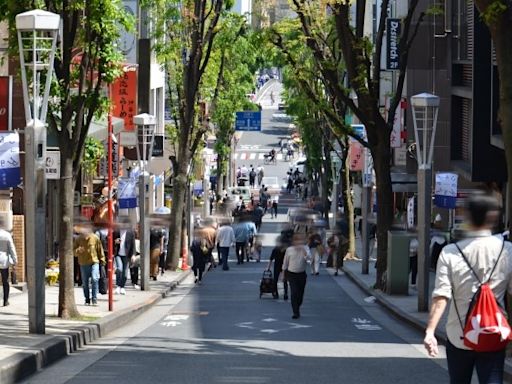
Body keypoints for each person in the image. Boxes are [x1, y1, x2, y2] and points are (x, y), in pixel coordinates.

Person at [424, 191, 512, 383]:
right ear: (492, 216)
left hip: (459, 335)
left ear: (467, 216)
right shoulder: (508, 251)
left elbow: (441, 296)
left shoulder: (450, 252)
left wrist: (430, 331)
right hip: (494, 333)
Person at [74, 225, 106, 305]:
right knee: (85, 283)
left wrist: (102, 260)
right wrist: (78, 250)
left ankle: (94, 298)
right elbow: (73, 251)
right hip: (83, 263)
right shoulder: (78, 239)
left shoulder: (95, 238)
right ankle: (87, 299)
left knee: (95, 279)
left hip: (94, 262)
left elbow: (100, 249)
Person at [282, 233, 311, 319]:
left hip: (301, 274)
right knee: (294, 292)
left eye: (300, 241)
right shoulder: (289, 250)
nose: (299, 243)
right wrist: (283, 275)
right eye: (297, 241)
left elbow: (309, 259)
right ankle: (295, 312)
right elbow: (285, 263)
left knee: (300, 294)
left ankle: (298, 304)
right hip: (292, 274)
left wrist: (303, 251)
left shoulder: (306, 248)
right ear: (294, 242)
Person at [0, 218, 17, 307]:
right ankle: (5, 300)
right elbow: (11, 248)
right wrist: (15, 260)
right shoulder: (6, 235)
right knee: (5, 281)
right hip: (3, 261)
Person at [114, 227, 135, 295]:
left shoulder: (130, 232)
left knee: (125, 274)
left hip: (126, 255)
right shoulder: (116, 231)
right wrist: (115, 241)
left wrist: (133, 255)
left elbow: (133, 244)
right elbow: (110, 240)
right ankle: (118, 286)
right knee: (119, 269)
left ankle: (122, 287)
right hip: (118, 254)